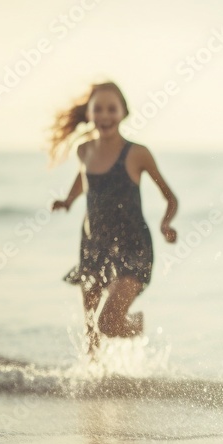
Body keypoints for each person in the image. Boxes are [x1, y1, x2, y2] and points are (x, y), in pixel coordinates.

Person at [49, 81, 178, 353]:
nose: (105, 115)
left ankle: (136, 325)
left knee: (108, 323)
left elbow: (170, 197)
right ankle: (93, 385)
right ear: (89, 114)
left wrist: (166, 224)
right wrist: (69, 200)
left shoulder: (137, 154)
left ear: (124, 113)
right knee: (91, 332)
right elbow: (84, 177)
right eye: (99, 109)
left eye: (112, 109)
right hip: (94, 245)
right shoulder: (83, 150)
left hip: (133, 248)